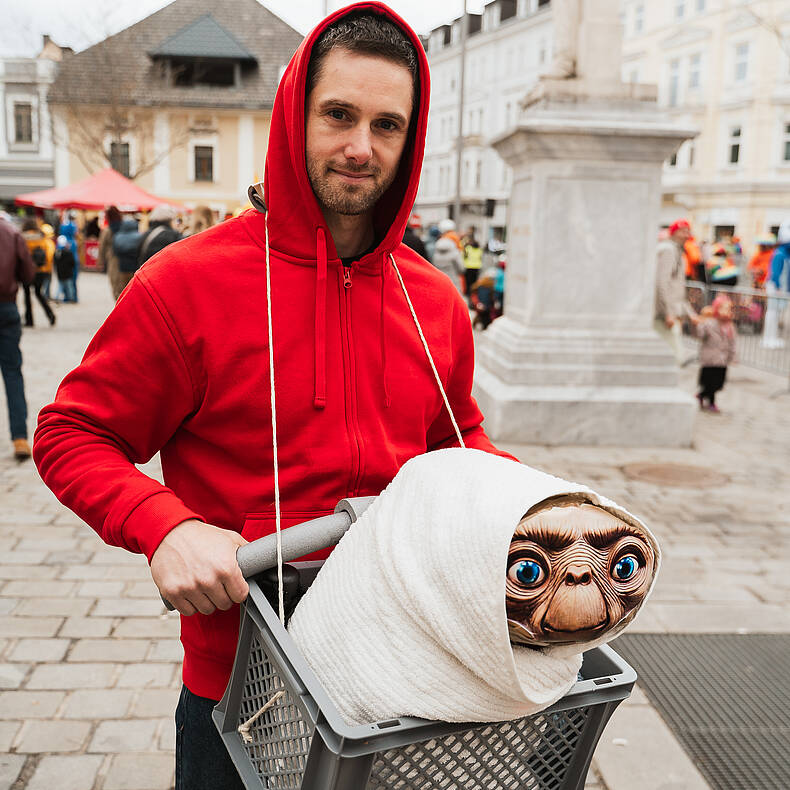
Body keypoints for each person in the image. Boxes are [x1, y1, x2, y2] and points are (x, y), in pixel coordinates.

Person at [33, 5, 515, 788]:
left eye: (387, 125)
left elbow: (458, 444)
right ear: (296, 114)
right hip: (242, 683)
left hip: (402, 670)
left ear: (411, 139)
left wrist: (534, 506)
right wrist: (165, 527)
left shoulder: (435, 300)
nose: (361, 147)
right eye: (339, 115)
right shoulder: (186, 283)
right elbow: (71, 432)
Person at [0, 216, 35, 460]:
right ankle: (20, 438)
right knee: (12, 373)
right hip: (6, 307)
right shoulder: (11, 232)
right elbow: (28, 273)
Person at [654, 218, 696, 365]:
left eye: (688, 231)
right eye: (683, 231)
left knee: (669, 357)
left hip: (669, 313)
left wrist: (690, 313)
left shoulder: (677, 251)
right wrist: (667, 313)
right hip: (664, 315)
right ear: (674, 232)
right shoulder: (668, 250)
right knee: (675, 358)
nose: (687, 235)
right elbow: (661, 283)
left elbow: (677, 287)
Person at [694, 295, 735, 413]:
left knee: (719, 384)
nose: (727, 312)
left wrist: (732, 356)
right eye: (724, 309)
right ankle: (711, 403)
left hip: (722, 361)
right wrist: (699, 324)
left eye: (729, 309)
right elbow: (700, 335)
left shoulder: (729, 326)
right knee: (709, 383)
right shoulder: (709, 323)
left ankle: (701, 395)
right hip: (710, 360)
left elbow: (733, 342)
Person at [20, 218, 56, 327]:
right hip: (42, 271)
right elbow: (49, 255)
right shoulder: (43, 238)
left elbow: (21, 256)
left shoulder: (22, 239)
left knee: (27, 295)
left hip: (27, 271)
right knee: (38, 293)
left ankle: (29, 320)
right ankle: (50, 315)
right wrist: (48, 270)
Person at [110, 216, 142, 299]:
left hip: (122, 266)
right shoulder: (139, 236)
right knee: (134, 289)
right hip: (135, 266)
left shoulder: (118, 236)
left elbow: (115, 251)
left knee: (123, 289)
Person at [430, 218, 464, 291]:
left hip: (440, 282)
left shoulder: (436, 253)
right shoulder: (455, 252)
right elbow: (461, 269)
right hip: (453, 283)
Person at [98, 205, 123, 289]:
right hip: (128, 259)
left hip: (113, 258)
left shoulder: (107, 230)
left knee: (115, 284)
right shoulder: (124, 227)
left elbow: (102, 246)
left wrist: (100, 262)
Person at [57, 212, 80, 302]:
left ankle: (68, 296)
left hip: (63, 267)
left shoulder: (62, 239)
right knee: (72, 281)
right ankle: (73, 297)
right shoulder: (72, 242)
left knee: (66, 281)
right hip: (71, 265)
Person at [54, 236, 76, 302]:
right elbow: (72, 262)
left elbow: (55, 262)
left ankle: (57, 297)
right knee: (69, 286)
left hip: (60, 273)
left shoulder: (57, 253)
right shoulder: (69, 253)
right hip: (68, 273)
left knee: (60, 286)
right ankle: (71, 298)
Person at [462, 231, 483, 298]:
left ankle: (468, 295)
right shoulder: (479, 249)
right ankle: (473, 295)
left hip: (468, 267)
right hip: (477, 267)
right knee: (474, 283)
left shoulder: (468, 248)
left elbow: (464, 257)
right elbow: (480, 258)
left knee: (468, 282)